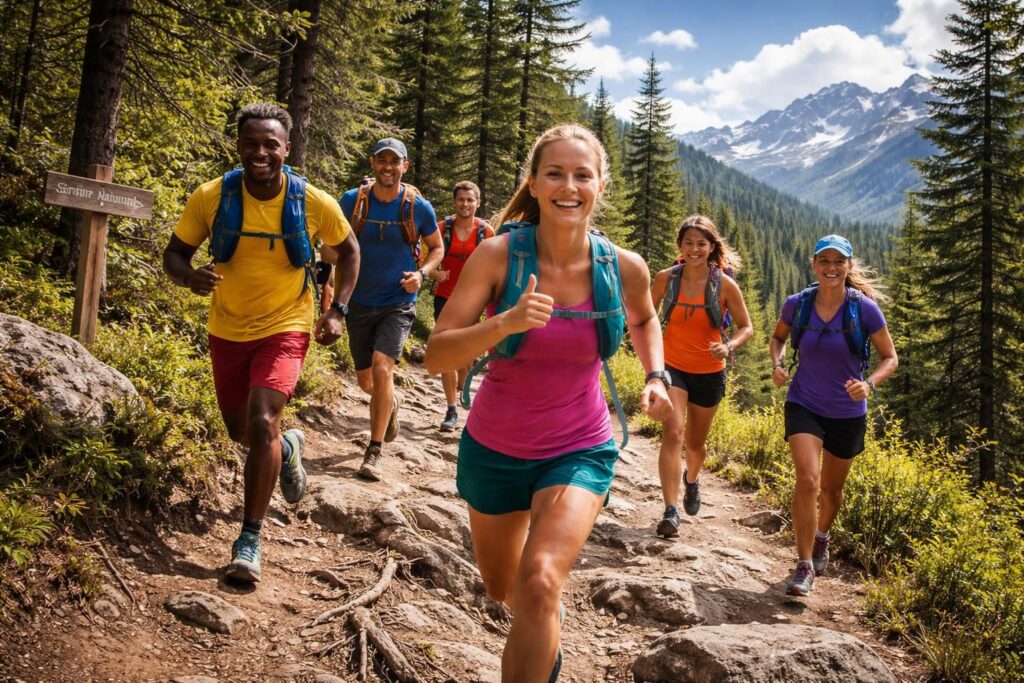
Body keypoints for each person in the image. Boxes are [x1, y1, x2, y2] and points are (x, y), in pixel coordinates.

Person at [424, 124, 672, 682]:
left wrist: (655, 373)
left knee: (539, 581)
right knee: (503, 588)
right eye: (555, 173)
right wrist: (505, 323)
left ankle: (540, 630)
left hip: (579, 448)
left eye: (582, 175)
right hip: (494, 449)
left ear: (601, 185)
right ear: (533, 184)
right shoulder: (496, 257)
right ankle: (544, 639)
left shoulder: (621, 267)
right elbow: (437, 355)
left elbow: (643, 317)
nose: (569, 186)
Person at [163, 102, 359, 583]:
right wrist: (189, 278)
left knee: (262, 418)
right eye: (251, 143)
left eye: (271, 144)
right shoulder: (211, 196)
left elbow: (351, 252)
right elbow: (175, 254)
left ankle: (249, 540)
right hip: (228, 328)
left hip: (287, 324)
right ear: (238, 147)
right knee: (241, 431)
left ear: (286, 149)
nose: (260, 153)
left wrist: (338, 310)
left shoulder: (313, 201)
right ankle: (288, 448)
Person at [769, 234, 897, 597]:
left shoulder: (864, 309)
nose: (831, 268)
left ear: (849, 266)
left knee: (832, 489)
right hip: (804, 402)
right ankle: (804, 564)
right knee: (808, 480)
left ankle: (822, 535)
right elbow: (778, 338)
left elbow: (890, 358)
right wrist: (777, 364)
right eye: (824, 261)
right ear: (813, 264)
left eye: (838, 261)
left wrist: (869, 384)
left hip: (847, 410)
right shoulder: (797, 304)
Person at [339, 138, 442, 482]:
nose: (388, 167)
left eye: (394, 161)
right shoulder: (352, 202)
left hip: (398, 301)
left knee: (383, 367)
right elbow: (333, 244)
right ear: (373, 163)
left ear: (404, 166)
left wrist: (422, 274)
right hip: (358, 300)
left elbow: (436, 247)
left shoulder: (418, 208)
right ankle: (390, 403)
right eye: (382, 160)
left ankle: (374, 451)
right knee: (367, 381)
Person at [650, 216, 753, 537]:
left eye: (701, 244)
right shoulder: (665, 279)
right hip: (672, 367)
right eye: (688, 243)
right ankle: (670, 510)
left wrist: (729, 346)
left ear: (711, 248)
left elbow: (746, 327)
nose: (694, 249)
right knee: (673, 434)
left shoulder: (724, 285)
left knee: (695, 445)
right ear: (680, 246)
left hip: (709, 372)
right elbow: (646, 317)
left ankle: (691, 480)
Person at [427, 180, 494, 431]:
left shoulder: (486, 232)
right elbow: (423, 258)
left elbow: (496, 265)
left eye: (469, 200)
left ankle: (461, 386)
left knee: (464, 352)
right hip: (445, 296)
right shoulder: (442, 228)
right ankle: (451, 409)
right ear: (454, 202)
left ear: (477, 203)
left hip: (472, 299)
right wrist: (434, 273)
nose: (465, 204)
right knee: (447, 351)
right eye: (461, 200)